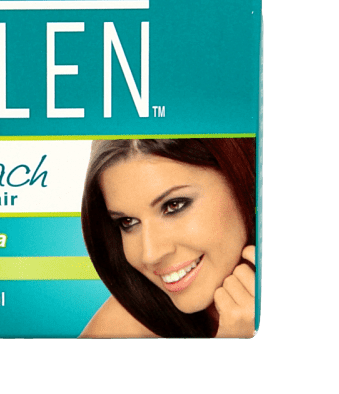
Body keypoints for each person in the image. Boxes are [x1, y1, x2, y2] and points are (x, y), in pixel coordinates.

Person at [80, 138, 257, 338]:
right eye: (128, 222)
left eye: (174, 205)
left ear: (244, 179)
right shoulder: (116, 331)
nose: (151, 255)